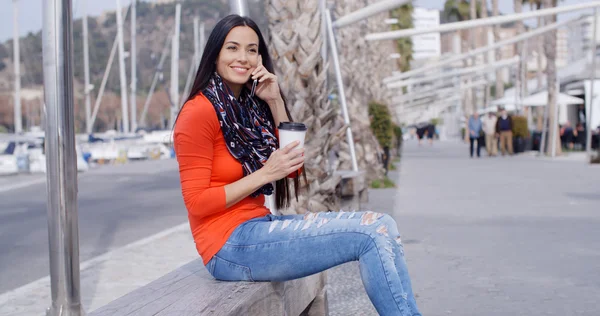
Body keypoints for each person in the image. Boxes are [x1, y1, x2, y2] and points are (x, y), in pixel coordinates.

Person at [173, 15, 421, 316]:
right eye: (232, 48)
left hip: (258, 228)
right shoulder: (198, 112)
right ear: (215, 56)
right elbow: (196, 202)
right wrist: (265, 173)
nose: (243, 58)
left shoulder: (248, 109)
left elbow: (291, 170)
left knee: (383, 225)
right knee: (369, 234)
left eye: (252, 50)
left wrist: (275, 100)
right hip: (227, 247)